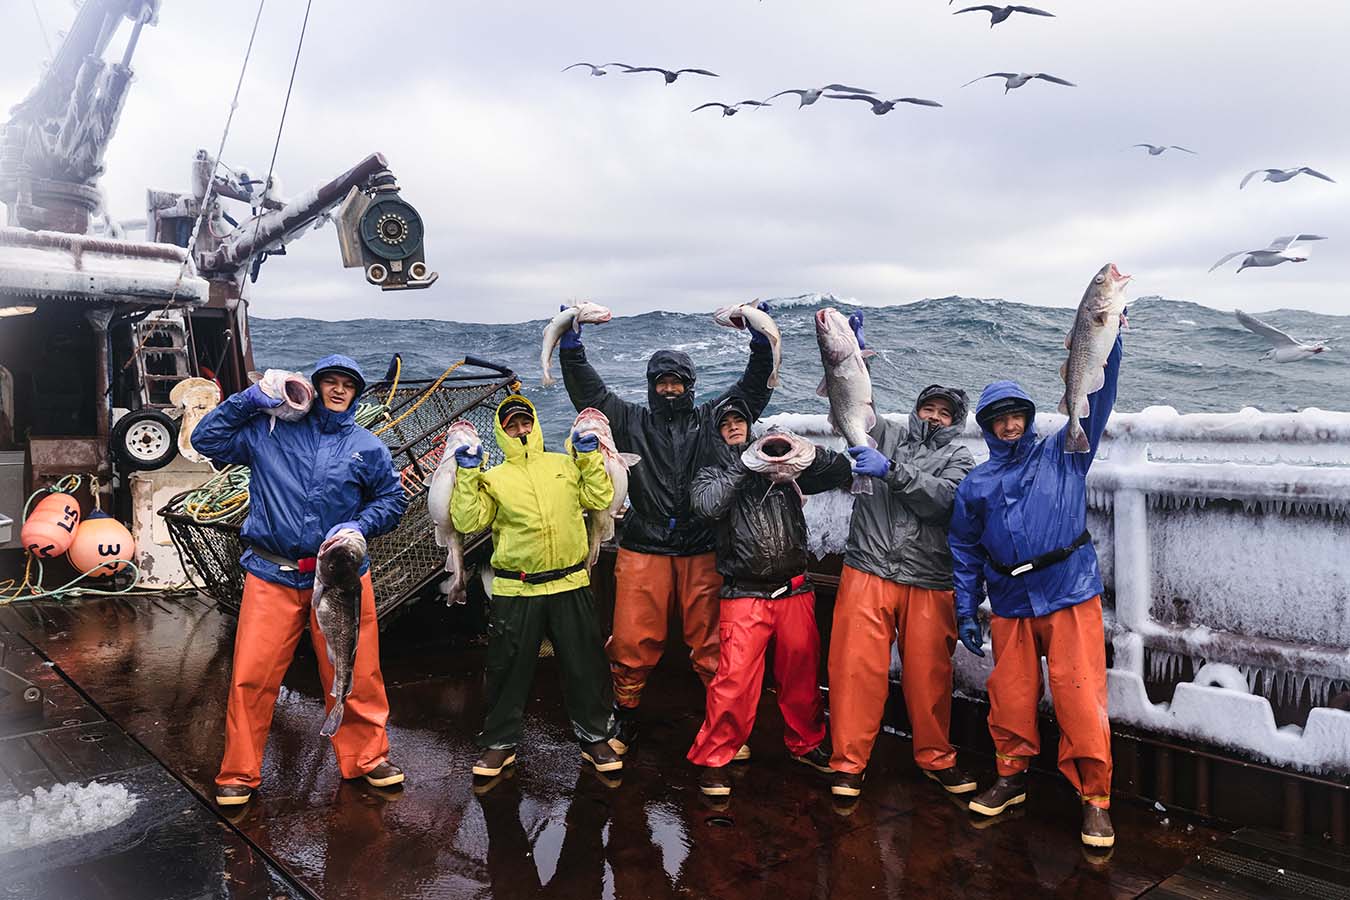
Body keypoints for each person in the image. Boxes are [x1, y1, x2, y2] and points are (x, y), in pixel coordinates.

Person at [558, 304, 776, 754]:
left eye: (677, 382)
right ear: (652, 386)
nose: (670, 389)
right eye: (662, 382)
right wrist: (571, 347)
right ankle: (625, 716)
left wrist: (761, 342)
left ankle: (723, 725)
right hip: (645, 546)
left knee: (711, 643)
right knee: (634, 639)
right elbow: (589, 396)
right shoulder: (631, 421)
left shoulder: (710, 420)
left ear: (690, 386)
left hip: (702, 546)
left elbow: (751, 394)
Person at [192, 354, 406, 807]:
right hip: (272, 573)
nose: (338, 389)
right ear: (315, 386)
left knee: (357, 673)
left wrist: (359, 527)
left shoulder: (369, 447)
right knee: (251, 676)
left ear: (356, 394)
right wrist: (252, 399)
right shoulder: (267, 432)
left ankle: (367, 758)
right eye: (329, 381)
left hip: (341, 578)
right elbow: (205, 438)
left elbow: (391, 500)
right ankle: (239, 773)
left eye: (348, 384)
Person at [948, 326, 1124, 849]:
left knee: (1080, 698)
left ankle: (1095, 800)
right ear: (985, 426)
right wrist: (964, 609)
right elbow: (964, 551)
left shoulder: (1067, 449)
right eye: (998, 418)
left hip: (1070, 590)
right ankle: (1011, 777)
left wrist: (1108, 345)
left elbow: (1100, 395)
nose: (1008, 425)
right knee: (1011, 696)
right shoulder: (975, 484)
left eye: (1015, 415)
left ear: (1027, 417)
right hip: (1009, 601)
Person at [685, 396, 853, 796]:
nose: (732, 426)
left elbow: (838, 471)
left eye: (739, 420)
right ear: (716, 432)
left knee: (802, 676)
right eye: (724, 423)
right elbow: (707, 507)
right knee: (734, 682)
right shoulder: (710, 474)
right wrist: (746, 465)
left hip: (796, 590)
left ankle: (807, 743)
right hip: (745, 594)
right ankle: (715, 757)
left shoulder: (782, 465)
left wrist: (801, 451)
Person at [450, 395, 622, 778]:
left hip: (570, 582)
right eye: (512, 425)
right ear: (502, 432)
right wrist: (466, 473)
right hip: (517, 589)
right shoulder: (494, 477)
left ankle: (595, 737)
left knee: (585, 666)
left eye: (525, 422)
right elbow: (467, 521)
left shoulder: (565, 465)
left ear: (536, 424)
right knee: (506, 670)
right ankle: (499, 743)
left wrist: (590, 456)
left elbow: (601, 498)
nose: (521, 430)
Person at [826, 382, 977, 801]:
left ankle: (936, 758)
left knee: (929, 678)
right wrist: (854, 364)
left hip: (928, 579)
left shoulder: (960, 459)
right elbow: (851, 409)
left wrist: (891, 471)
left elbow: (944, 502)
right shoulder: (886, 433)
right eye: (927, 407)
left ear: (956, 422)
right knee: (854, 672)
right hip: (867, 569)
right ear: (915, 410)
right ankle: (848, 764)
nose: (933, 416)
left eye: (944, 413)